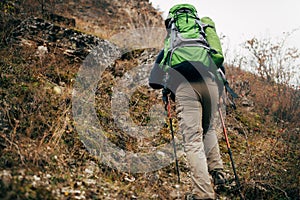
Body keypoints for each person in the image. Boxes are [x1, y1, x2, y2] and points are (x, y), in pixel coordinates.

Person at [149, 4, 226, 200]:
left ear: (172, 25)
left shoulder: (171, 45)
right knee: (208, 129)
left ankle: (203, 194)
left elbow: (153, 81)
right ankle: (219, 174)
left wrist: (167, 83)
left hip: (184, 86)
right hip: (210, 84)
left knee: (193, 141)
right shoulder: (203, 35)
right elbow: (220, 67)